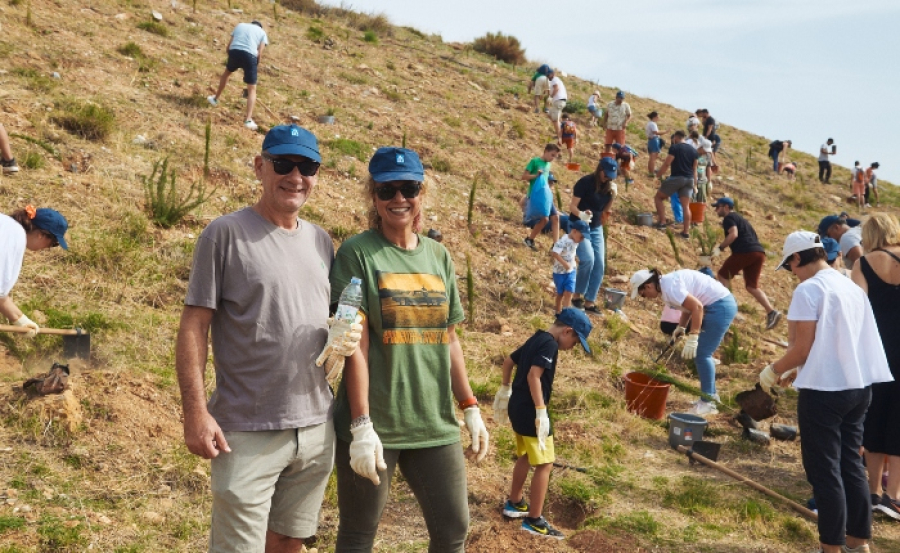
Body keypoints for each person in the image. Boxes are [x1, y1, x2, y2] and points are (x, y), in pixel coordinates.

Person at [175, 124, 350, 552]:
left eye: (306, 166)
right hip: (247, 430)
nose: (295, 176)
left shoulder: (320, 241)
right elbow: (194, 326)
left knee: (291, 541)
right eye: (283, 164)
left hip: (314, 426)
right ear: (260, 167)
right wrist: (195, 413)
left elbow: (326, 321)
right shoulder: (224, 234)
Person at [330, 147, 489, 552]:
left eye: (409, 188)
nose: (399, 199)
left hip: (433, 422)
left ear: (422, 192)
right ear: (374, 196)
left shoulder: (438, 256)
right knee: (358, 533)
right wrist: (361, 426)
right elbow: (355, 346)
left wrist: (469, 404)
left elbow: (449, 337)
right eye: (388, 190)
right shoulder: (357, 253)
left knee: (453, 530)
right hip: (377, 422)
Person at [760, 230, 891, 553]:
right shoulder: (850, 285)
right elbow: (837, 341)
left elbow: (802, 348)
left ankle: (830, 547)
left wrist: (773, 370)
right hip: (858, 387)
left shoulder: (809, 290)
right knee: (849, 463)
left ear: (797, 258)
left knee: (825, 470)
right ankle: (858, 543)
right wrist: (798, 369)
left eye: (789, 265)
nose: (792, 272)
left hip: (825, 394)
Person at [493, 308, 593, 540]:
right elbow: (533, 376)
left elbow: (509, 361)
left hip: (517, 407)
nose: (573, 347)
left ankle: (515, 502)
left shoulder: (537, 337)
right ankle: (534, 520)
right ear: (567, 331)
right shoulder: (550, 345)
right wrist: (540, 410)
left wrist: (505, 387)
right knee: (545, 463)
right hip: (531, 411)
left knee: (527, 455)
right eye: (576, 342)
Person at [631, 268, 737, 415]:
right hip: (718, 305)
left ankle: (707, 403)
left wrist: (693, 336)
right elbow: (688, 308)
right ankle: (711, 397)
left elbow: (697, 307)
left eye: (643, 294)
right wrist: (681, 327)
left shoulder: (670, 287)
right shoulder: (666, 286)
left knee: (702, 355)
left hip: (720, 307)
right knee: (703, 354)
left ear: (648, 286)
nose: (645, 297)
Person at [850, 214, 900, 521]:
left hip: (877, 350)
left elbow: (857, 310)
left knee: (875, 415)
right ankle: (894, 496)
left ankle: (871, 491)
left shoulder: (864, 263)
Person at [712, 197, 782, 329]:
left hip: (745, 251)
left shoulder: (729, 218)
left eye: (718, 207)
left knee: (722, 276)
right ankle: (771, 312)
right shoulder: (742, 219)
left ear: (726, 207)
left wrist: (720, 248)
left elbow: (733, 234)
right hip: (759, 253)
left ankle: (724, 308)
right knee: (752, 286)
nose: (716, 210)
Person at [1, 206, 68, 338]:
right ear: (41, 234)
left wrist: (19, 319)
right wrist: (19, 319)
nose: (48, 248)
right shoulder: (15, 236)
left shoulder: (6, 225)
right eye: (53, 243)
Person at [569, 158, 618, 315]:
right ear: (599, 169)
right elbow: (572, 207)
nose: (607, 178)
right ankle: (577, 296)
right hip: (579, 225)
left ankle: (590, 301)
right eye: (606, 174)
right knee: (588, 259)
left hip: (596, 227)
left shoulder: (609, 188)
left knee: (599, 264)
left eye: (611, 176)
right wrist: (581, 215)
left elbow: (605, 211)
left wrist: (612, 198)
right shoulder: (585, 183)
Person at [207, 20, 269, 131]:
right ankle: (248, 120)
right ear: (260, 27)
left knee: (226, 74)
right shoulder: (262, 32)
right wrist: (253, 66)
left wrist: (233, 59)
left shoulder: (240, 25)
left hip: (234, 51)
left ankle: (215, 99)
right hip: (250, 55)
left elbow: (228, 47)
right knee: (252, 89)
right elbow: (259, 53)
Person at [653, 130, 698, 238]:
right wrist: (695, 184)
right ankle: (685, 232)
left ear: (676, 138)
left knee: (658, 198)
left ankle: (662, 222)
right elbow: (694, 169)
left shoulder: (675, 147)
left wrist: (658, 175)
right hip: (689, 179)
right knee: (686, 206)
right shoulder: (694, 151)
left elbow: (667, 163)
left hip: (677, 178)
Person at [520, 144, 561, 248]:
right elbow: (524, 177)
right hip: (535, 195)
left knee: (555, 217)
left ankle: (556, 245)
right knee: (545, 219)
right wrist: (535, 176)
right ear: (545, 151)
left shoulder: (548, 165)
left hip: (545, 195)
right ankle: (530, 239)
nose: (553, 158)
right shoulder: (534, 162)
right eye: (552, 155)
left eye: (555, 156)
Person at [551, 219, 589, 314]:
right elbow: (555, 253)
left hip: (571, 271)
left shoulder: (576, 240)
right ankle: (558, 309)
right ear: (574, 231)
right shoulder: (563, 241)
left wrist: (574, 260)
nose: (582, 240)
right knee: (560, 293)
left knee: (569, 292)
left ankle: (566, 312)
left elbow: (571, 252)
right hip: (559, 272)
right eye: (581, 237)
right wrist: (564, 263)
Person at [601, 91, 632, 156]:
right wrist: (604, 123)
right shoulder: (610, 104)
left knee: (620, 146)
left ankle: (617, 160)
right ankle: (607, 158)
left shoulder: (626, 105)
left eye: (622, 98)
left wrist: (625, 122)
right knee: (608, 144)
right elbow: (606, 114)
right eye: (619, 98)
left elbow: (629, 115)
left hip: (619, 128)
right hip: (610, 127)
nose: (620, 100)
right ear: (616, 97)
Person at [547, 70, 567, 144]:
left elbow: (556, 88)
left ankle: (559, 138)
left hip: (559, 101)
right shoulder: (555, 80)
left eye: (548, 75)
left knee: (555, 120)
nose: (547, 76)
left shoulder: (554, 79)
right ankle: (561, 129)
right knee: (549, 115)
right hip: (558, 101)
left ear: (552, 74)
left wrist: (551, 96)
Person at [645, 112, 666, 176]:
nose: (658, 118)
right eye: (657, 117)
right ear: (654, 117)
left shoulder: (649, 123)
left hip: (651, 141)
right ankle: (651, 172)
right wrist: (665, 132)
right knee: (653, 158)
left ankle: (651, 171)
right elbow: (656, 132)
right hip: (654, 141)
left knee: (652, 157)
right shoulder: (652, 124)